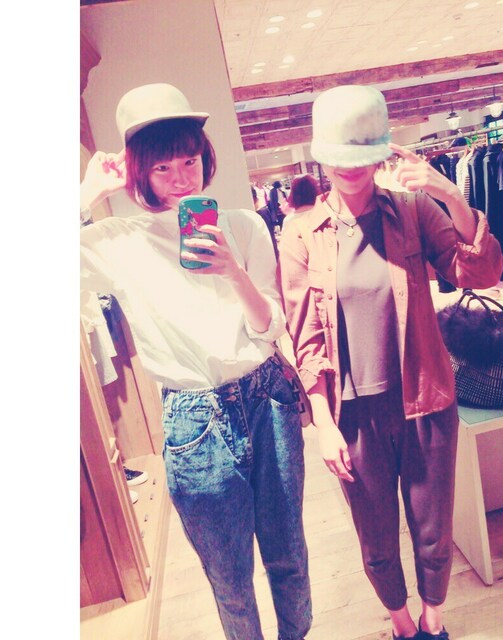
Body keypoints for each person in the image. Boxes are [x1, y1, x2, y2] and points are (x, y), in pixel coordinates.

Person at [80, 83, 311, 640]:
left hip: (267, 399)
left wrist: (233, 272)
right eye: (163, 168)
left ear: (206, 157)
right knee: (229, 579)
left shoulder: (246, 225)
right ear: (139, 174)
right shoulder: (117, 241)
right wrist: (85, 194)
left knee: (288, 557)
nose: (182, 178)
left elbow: (269, 327)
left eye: (189, 161)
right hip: (194, 420)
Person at [278, 85, 503, 640]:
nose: (350, 168)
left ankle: (433, 622)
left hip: (425, 398)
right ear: (321, 155)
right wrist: (323, 424)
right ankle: (402, 627)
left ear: (381, 151)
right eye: (339, 155)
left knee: (433, 531)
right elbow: (306, 338)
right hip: (354, 416)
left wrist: (450, 195)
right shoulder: (301, 233)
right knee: (376, 539)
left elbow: (479, 273)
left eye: (362, 154)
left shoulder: (411, 210)